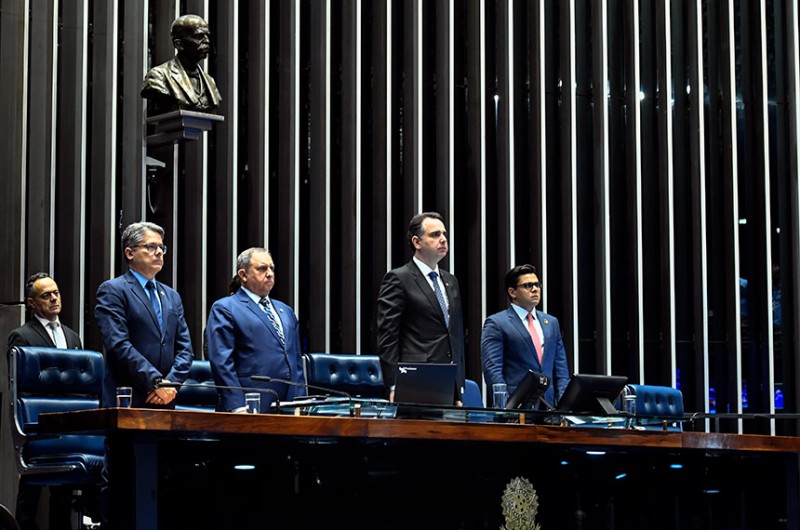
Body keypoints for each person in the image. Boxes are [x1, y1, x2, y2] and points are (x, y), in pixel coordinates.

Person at [7, 273, 83, 530]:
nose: (53, 299)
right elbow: (19, 384)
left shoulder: (73, 338)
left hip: (68, 420)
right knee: (30, 490)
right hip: (37, 421)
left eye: (56, 293)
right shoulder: (21, 335)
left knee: (63, 490)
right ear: (31, 303)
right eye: (45, 295)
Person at [95, 221, 194, 409]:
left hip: (166, 398)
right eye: (150, 246)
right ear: (129, 253)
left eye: (161, 247)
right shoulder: (113, 290)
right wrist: (155, 382)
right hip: (129, 399)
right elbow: (118, 344)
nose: (158, 252)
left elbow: (185, 349)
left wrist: (170, 384)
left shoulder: (172, 296)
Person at [376, 212, 466, 405]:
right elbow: (387, 337)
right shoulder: (399, 279)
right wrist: (393, 385)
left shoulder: (451, 281)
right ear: (417, 242)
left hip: (448, 383)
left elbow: (454, 334)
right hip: (414, 382)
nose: (443, 239)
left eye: (444, 234)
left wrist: (458, 389)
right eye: (435, 235)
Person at [205, 248, 306, 412]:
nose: (269, 273)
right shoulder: (226, 308)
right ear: (243, 275)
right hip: (248, 404)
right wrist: (236, 406)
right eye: (262, 268)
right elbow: (222, 362)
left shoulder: (285, 310)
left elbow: (296, 360)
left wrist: (301, 402)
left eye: (272, 268)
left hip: (289, 405)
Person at [480, 264, 569, 409]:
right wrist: (507, 405)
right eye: (528, 285)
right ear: (512, 292)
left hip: (549, 407)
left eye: (537, 285)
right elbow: (493, 369)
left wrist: (565, 406)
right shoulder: (497, 323)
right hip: (517, 405)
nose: (535, 289)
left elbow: (561, 369)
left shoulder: (551, 322)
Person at [140, 14, 222, 114]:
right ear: (179, 44)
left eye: (207, 36)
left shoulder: (210, 82)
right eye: (199, 36)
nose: (207, 41)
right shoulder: (159, 76)